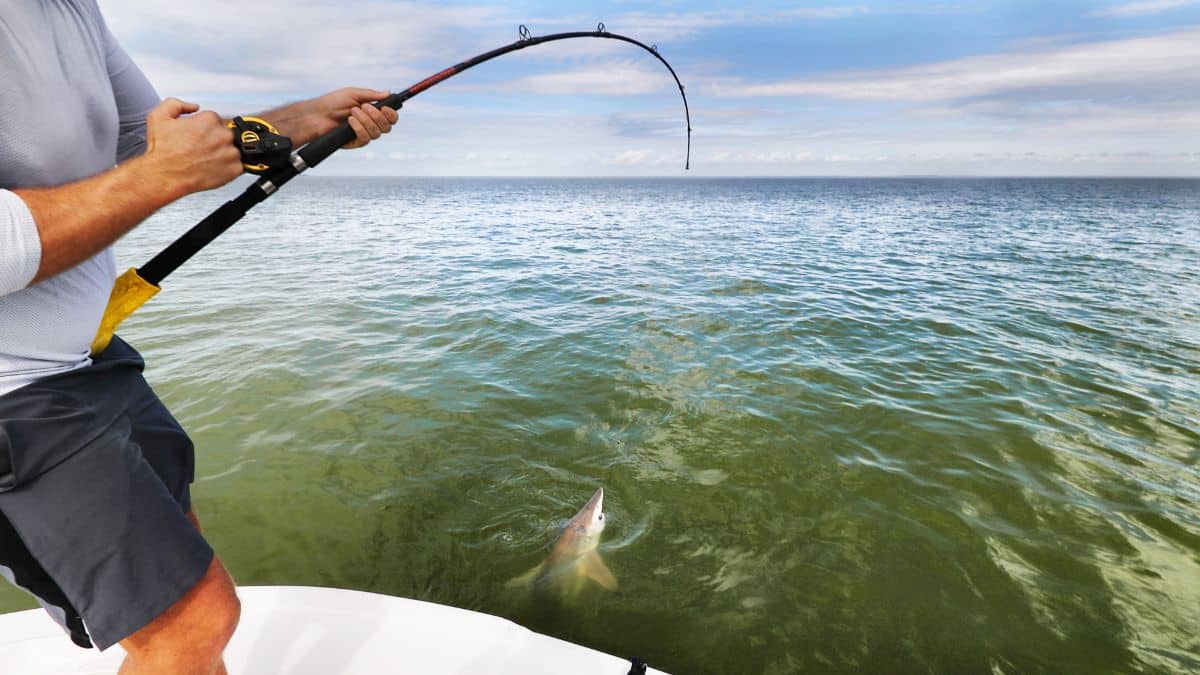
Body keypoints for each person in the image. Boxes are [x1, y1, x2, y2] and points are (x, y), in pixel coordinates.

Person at [0, 1, 399, 672]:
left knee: (190, 592)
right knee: (193, 622)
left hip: (90, 360)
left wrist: (305, 122)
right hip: (15, 397)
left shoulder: (71, 8)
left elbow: (150, 141)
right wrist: (162, 176)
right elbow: (157, 168)